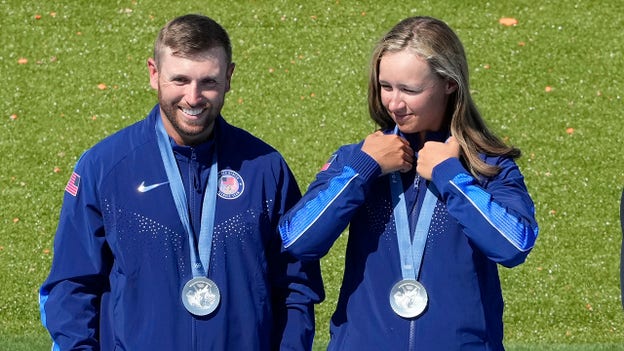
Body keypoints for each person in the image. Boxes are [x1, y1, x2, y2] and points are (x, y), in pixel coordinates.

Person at [39, 14, 324, 351]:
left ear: (229, 77)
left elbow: (295, 285)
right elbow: (71, 285)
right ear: (153, 74)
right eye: (180, 80)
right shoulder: (105, 167)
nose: (193, 97)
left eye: (208, 82)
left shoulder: (265, 169)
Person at [279, 16, 538, 350]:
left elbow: (514, 246)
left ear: (449, 83)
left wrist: (450, 176)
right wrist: (362, 170)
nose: (394, 103)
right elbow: (297, 239)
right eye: (386, 87)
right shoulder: (359, 159)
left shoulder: (487, 164)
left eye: (410, 90)